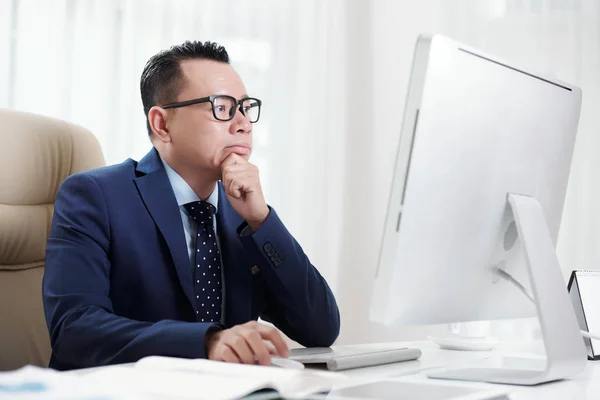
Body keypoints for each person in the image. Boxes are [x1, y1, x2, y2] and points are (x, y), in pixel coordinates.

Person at [42, 40, 340, 370]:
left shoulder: (243, 215)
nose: (242, 124)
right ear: (162, 124)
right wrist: (206, 341)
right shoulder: (94, 196)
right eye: (222, 108)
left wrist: (261, 220)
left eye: (245, 108)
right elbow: (74, 332)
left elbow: (320, 328)